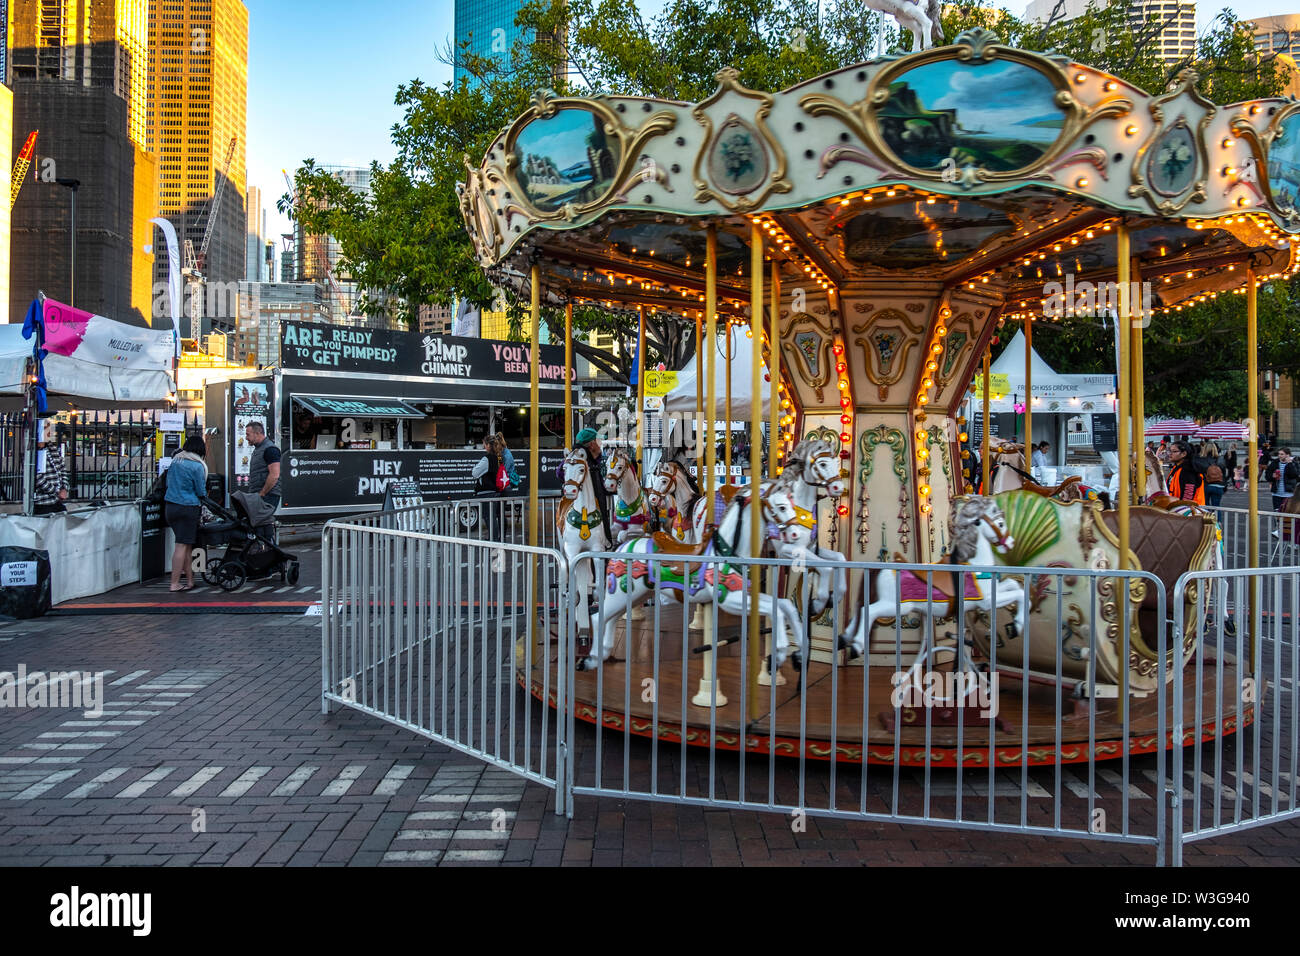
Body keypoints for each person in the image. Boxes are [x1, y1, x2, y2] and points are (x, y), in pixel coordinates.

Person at [164, 436, 208, 591]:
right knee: (181, 545)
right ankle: (174, 583)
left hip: (171, 507)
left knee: (187, 545)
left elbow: (168, 482)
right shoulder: (197, 466)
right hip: (187, 507)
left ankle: (190, 581)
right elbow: (200, 491)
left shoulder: (176, 461)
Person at [245, 421, 281, 541]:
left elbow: (275, 474)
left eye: (248, 434)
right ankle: (266, 555)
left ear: (258, 433)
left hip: (268, 495)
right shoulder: (260, 449)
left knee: (262, 528)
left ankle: (269, 553)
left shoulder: (270, 449)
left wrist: (263, 493)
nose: (246, 438)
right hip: (260, 494)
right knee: (261, 527)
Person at [32, 419, 69, 515]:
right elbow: (36, 477)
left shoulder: (52, 449)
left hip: (57, 501)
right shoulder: (33, 453)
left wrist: (64, 488)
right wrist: (56, 491)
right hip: (43, 502)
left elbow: (62, 469)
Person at [1167, 440, 1205, 506]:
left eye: (1174, 451)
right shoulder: (1177, 467)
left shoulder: (1188, 470)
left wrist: (1181, 509)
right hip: (1177, 509)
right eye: (1170, 451)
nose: (1170, 454)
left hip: (1190, 511)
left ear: (1184, 454)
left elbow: (1188, 495)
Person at [1269, 447, 1299, 512]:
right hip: (1276, 494)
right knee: (1276, 513)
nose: (1279, 456)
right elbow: (1267, 475)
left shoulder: (1294, 463)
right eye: (1279, 454)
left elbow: (1295, 476)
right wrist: (1272, 476)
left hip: (1289, 494)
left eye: (1282, 454)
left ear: (1287, 455)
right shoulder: (1275, 462)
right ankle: (1277, 522)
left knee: (1287, 513)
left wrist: (1290, 464)